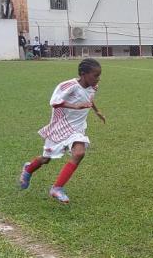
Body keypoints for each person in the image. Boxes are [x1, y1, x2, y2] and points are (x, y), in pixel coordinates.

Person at [19, 58, 106, 204]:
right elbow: (54, 102)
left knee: (79, 153)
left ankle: (57, 188)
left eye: (99, 75)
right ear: (83, 74)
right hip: (60, 127)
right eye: (95, 75)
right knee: (46, 159)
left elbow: (89, 98)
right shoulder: (69, 86)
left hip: (77, 129)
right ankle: (29, 169)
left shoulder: (93, 87)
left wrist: (97, 111)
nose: (98, 79)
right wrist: (75, 106)